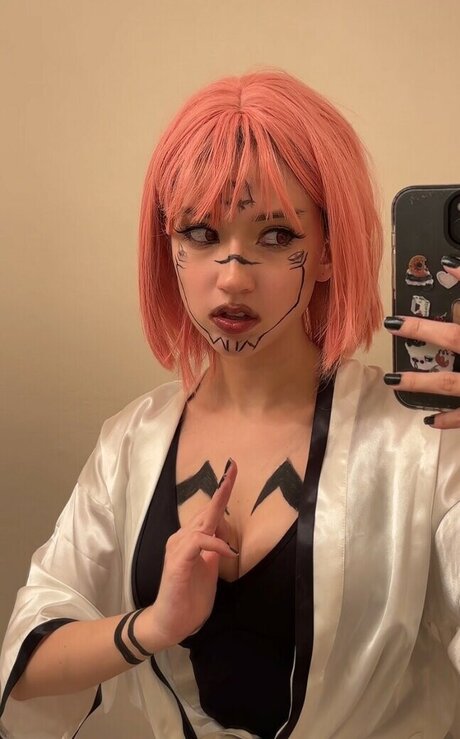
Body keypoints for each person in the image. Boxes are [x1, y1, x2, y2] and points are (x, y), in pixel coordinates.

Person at [1, 69, 459, 739]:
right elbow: (28, 657)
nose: (233, 276)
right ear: (170, 249)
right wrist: (151, 625)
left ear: (329, 252)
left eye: (276, 236)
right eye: (201, 233)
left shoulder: (422, 438)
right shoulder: (133, 441)